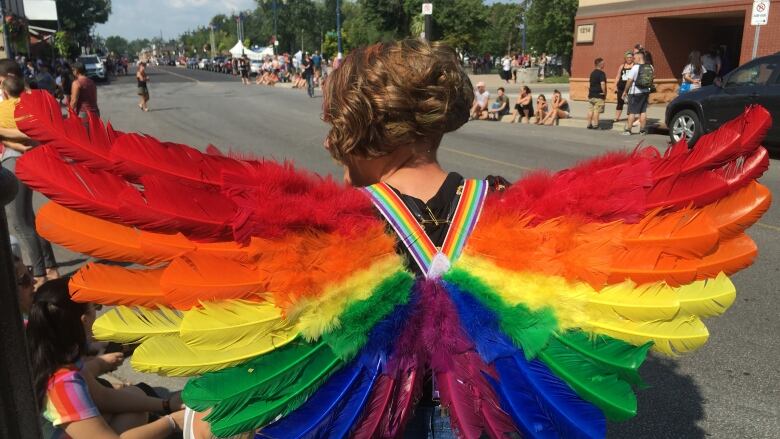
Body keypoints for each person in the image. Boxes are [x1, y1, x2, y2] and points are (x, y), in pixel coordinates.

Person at [26, 278, 187, 438]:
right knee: (139, 411)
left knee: (137, 398)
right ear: (85, 320)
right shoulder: (63, 385)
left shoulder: (55, 354)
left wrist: (166, 405)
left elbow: (102, 396)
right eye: (95, 306)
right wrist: (171, 422)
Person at [0, 74, 60, 288]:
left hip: (12, 164)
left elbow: (20, 133)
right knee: (29, 220)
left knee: (19, 222)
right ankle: (50, 268)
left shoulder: (4, 109)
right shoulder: (28, 106)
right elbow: (31, 133)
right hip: (28, 162)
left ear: (4, 90)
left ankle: (40, 273)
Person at [622, 50, 653, 135]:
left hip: (635, 92)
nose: (633, 59)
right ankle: (642, 130)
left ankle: (628, 130)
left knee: (632, 111)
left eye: (634, 57)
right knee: (643, 111)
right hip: (646, 92)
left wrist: (625, 91)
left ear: (639, 57)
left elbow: (629, 81)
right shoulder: (650, 67)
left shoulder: (635, 67)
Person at [613, 51, 634, 122]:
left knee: (630, 103)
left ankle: (630, 118)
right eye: (628, 57)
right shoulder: (622, 66)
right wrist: (615, 86)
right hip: (621, 87)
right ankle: (616, 117)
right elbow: (618, 76)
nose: (629, 59)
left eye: (631, 57)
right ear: (625, 58)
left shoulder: (634, 66)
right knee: (620, 102)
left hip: (630, 87)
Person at [587, 57, 607, 130]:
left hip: (591, 95)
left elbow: (589, 85)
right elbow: (602, 84)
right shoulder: (601, 73)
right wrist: (604, 93)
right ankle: (596, 125)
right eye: (603, 63)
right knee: (596, 110)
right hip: (598, 95)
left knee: (590, 110)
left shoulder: (592, 73)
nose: (604, 65)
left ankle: (589, 124)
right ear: (600, 64)